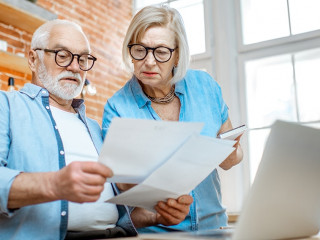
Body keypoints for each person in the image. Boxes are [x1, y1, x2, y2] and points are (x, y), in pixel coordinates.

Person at [0, 19, 193, 240]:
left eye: (83, 59)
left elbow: (111, 212)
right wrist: (53, 184)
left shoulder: (93, 127)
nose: (75, 67)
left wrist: (155, 215)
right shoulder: (6, 106)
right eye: (62, 55)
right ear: (33, 59)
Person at [102, 5, 244, 233]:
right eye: (140, 50)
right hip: (157, 234)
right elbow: (120, 186)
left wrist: (231, 153)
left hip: (214, 228)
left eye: (160, 52)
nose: (148, 61)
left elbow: (233, 155)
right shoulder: (117, 107)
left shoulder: (205, 86)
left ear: (177, 53)